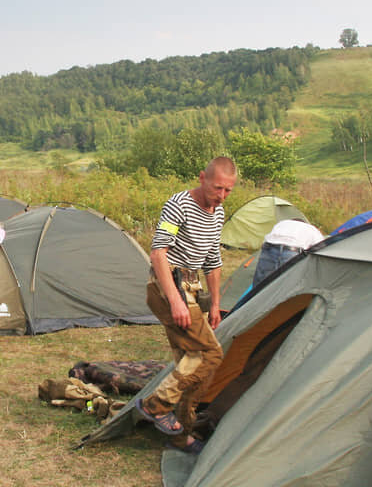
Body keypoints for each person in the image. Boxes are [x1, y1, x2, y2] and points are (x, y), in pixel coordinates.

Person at [135, 156, 237, 454]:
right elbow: (158, 254)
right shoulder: (178, 204)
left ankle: (182, 435)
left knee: (191, 365)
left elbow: (213, 261)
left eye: (228, 191)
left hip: (193, 288)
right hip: (168, 286)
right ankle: (154, 406)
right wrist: (176, 300)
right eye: (217, 187)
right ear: (202, 177)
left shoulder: (218, 213)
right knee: (210, 354)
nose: (221, 196)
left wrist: (216, 303)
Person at [251, 219, 324, 287]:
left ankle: (254, 300)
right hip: (290, 252)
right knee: (287, 287)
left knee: (260, 285)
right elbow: (322, 247)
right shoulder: (311, 229)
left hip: (268, 248)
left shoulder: (282, 223)